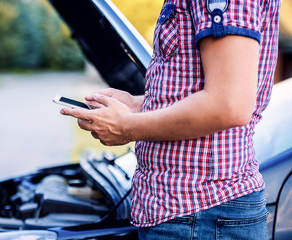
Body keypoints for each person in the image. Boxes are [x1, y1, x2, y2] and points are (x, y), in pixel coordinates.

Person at [61, 0, 280, 239]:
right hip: (191, 214)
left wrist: (126, 127)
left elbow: (229, 105)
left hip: (200, 215)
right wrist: (141, 105)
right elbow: (200, 88)